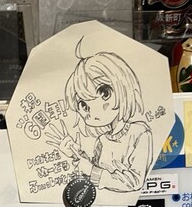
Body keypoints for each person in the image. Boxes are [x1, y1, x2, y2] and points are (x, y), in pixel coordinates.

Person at [46, 41, 153, 193]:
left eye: (105, 93)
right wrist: (75, 153)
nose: (90, 112)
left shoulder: (140, 133)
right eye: (83, 105)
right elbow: (93, 172)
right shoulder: (102, 140)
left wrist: (92, 171)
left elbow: (134, 182)